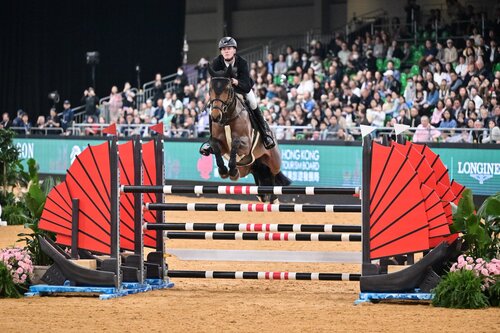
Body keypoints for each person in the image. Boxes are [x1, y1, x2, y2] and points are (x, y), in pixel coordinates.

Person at [199, 37, 275, 156]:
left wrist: (235, 82)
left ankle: (265, 134)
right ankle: (211, 139)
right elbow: (215, 81)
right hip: (224, 93)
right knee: (212, 109)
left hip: (242, 89)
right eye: (223, 49)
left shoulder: (242, 62)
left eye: (229, 48)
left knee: (253, 103)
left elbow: (246, 84)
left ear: (234, 50)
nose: (226, 51)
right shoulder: (217, 62)